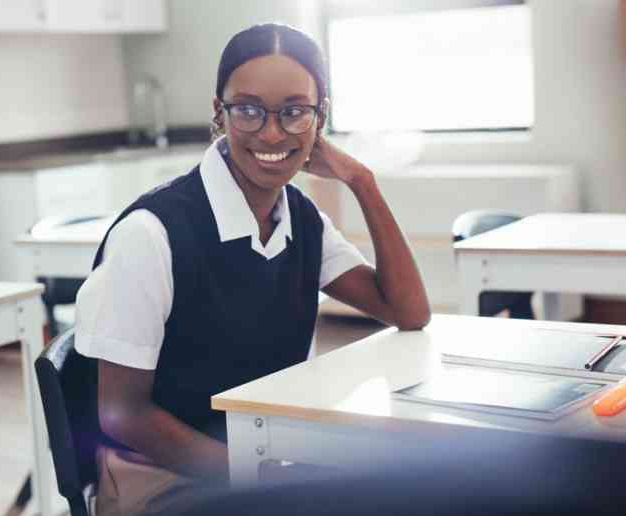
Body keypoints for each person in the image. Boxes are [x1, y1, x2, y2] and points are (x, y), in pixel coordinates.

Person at [74, 22, 430, 516]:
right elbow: (122, 414)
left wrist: (361, 180)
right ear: (219, 114)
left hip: (267, 462)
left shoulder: (300, 218)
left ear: (320, 119)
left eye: (295, 112)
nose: (271, 132)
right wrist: (260, 477)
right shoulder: (150, 234)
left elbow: (407, 312)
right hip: (164, 484)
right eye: (247, 110)